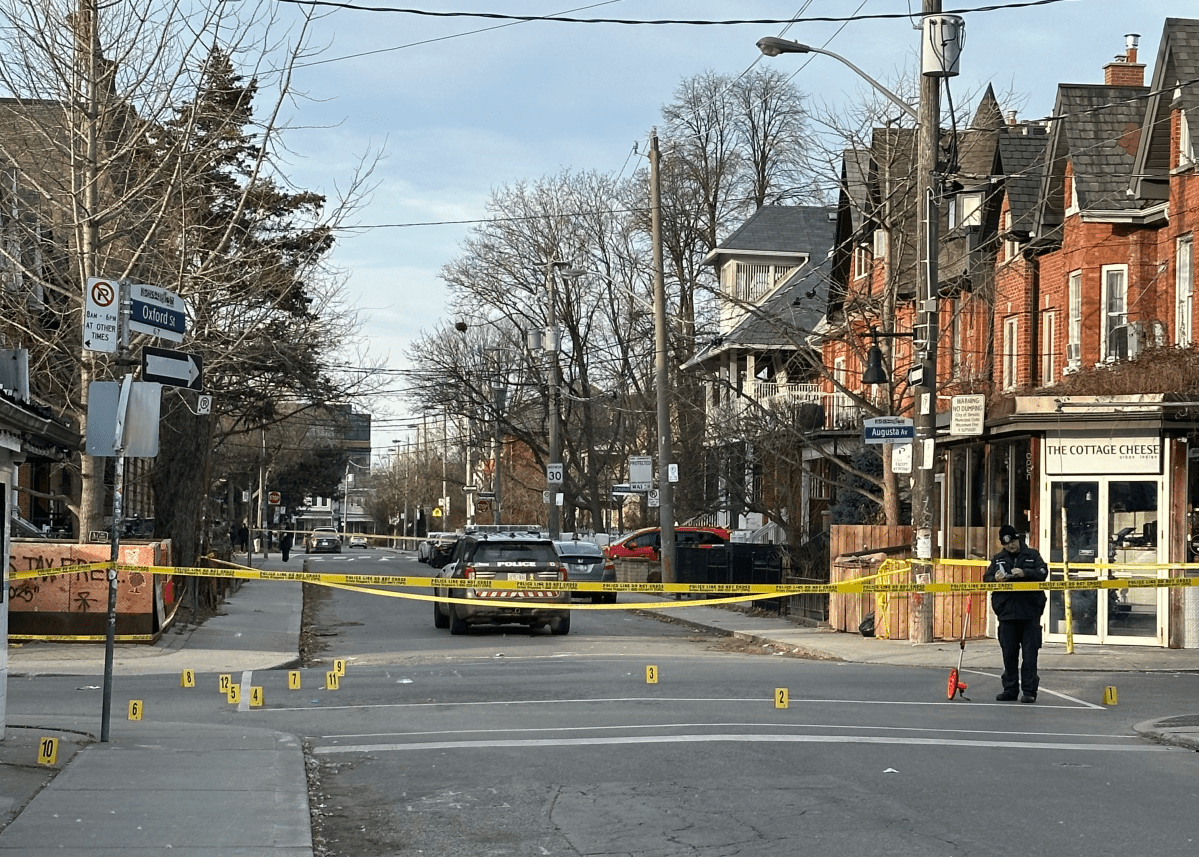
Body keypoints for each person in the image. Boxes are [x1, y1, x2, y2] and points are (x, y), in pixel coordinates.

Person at [984, 524, 1049, 703]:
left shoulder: (1032, 555)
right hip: (1007, 614)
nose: (1010, 546)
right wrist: (995, 579)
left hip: (1029, 613)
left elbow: (1043, 572)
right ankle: (1010, 689)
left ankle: (1029, 691)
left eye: (1012, 541)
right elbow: (985, 579)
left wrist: (1025, 573)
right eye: (1006, 544)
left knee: (1029, 655)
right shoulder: (998, 559)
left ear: (1017, 539)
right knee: (1009, 653)